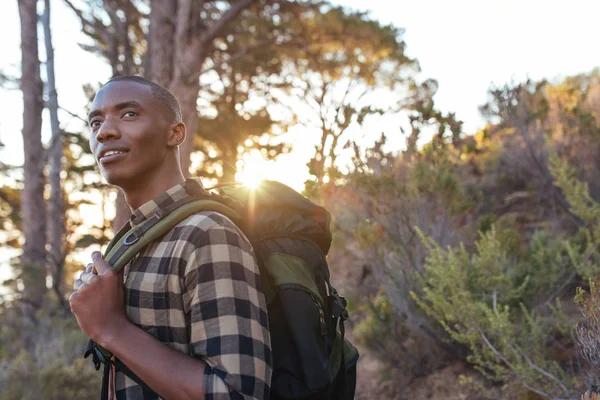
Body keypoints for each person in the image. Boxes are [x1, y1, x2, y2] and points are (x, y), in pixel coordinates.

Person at [69, 75, 272, 400]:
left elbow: (236, 393)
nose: (103, 131)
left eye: (128, 114)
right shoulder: (137, 240)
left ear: (175, 133)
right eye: (95, 121)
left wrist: (110, 329)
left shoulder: (206, 233)